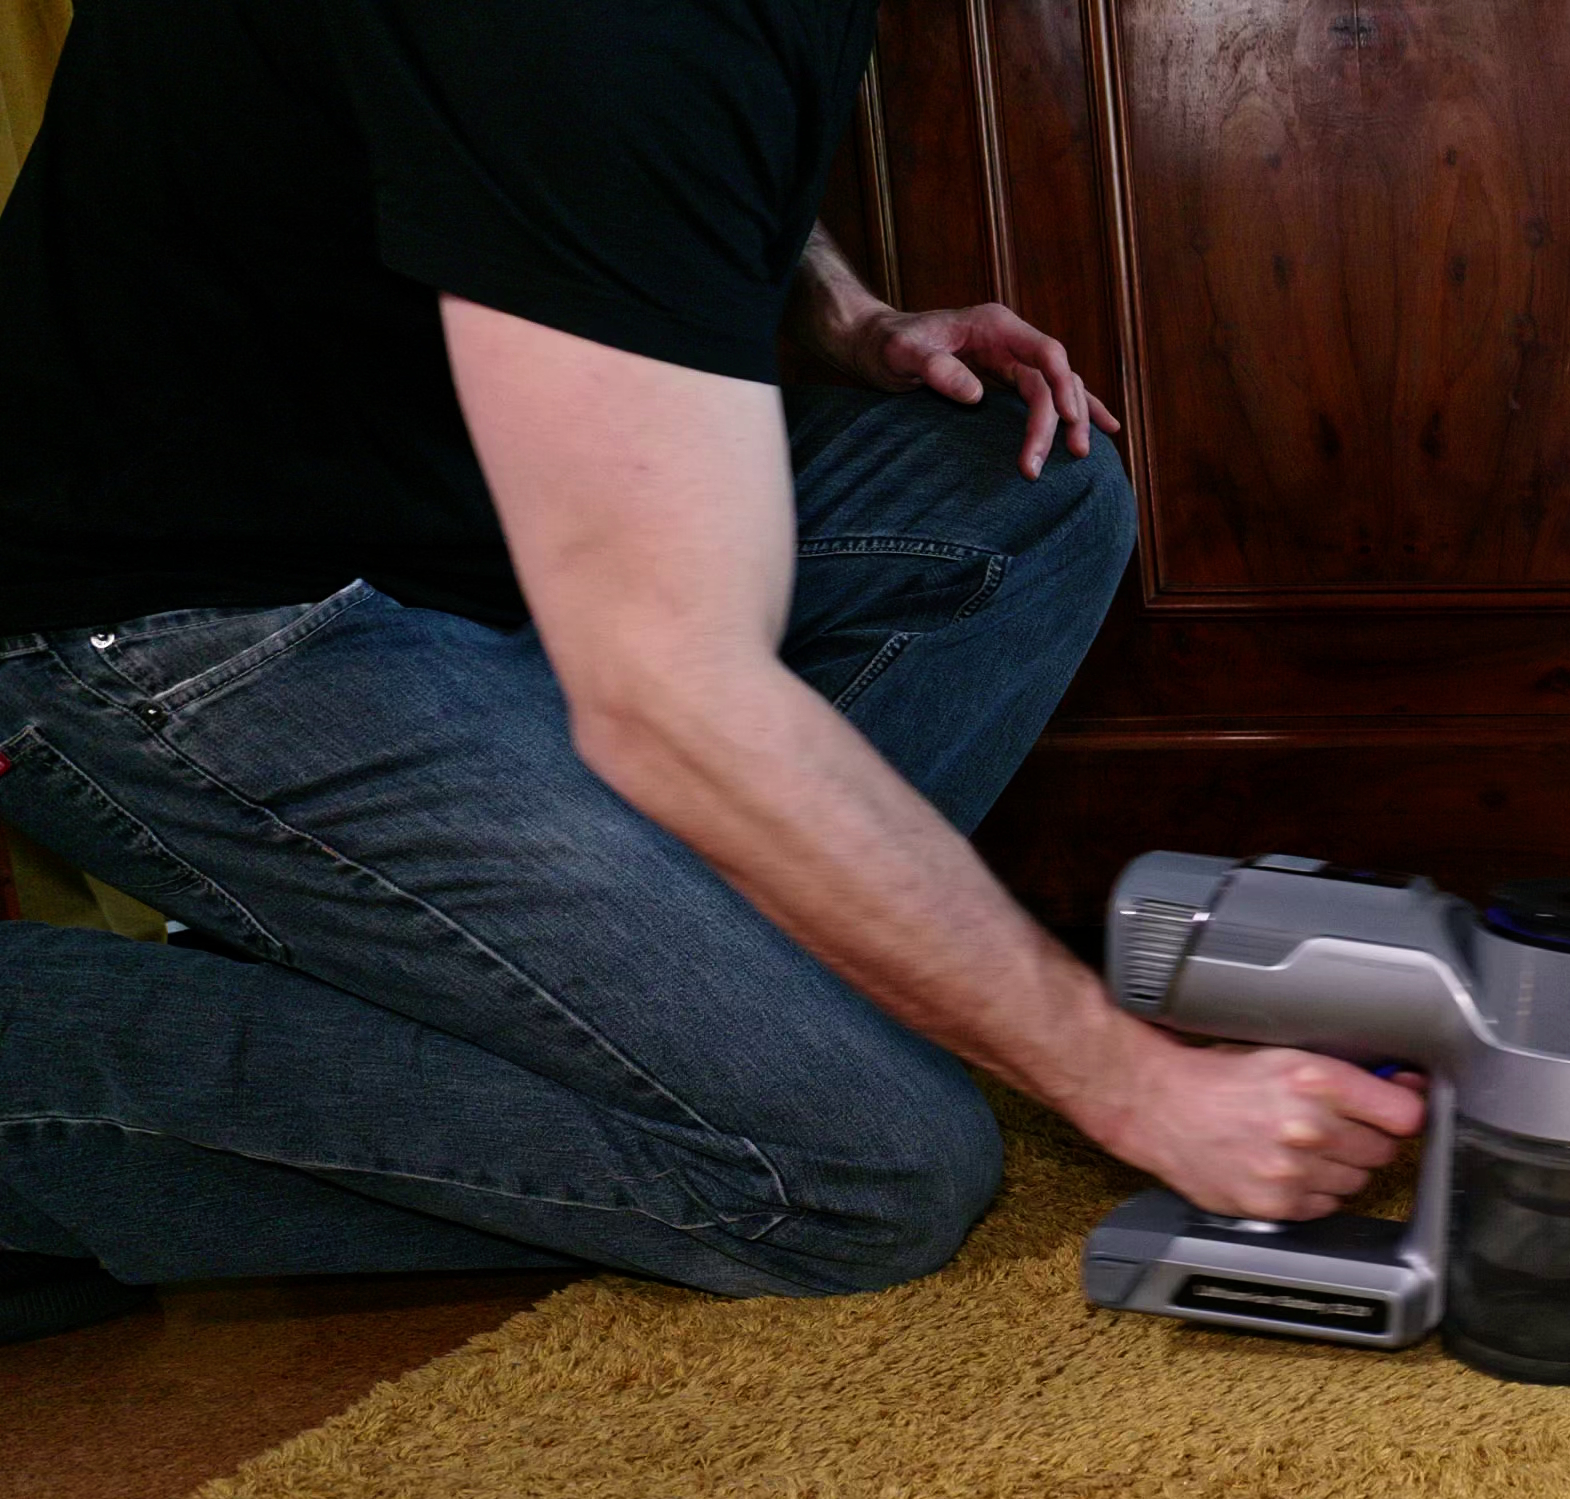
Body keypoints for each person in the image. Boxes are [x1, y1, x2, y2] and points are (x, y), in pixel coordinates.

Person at [0, 0, 1422, 1342]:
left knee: (1027, 492)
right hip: (181, 626)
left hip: (472, 522)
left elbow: (620, 167)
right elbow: (670, 695)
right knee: (861, 1167)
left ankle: (567, 983)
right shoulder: (596, 25)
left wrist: (845, 313)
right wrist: (1137, 1086)